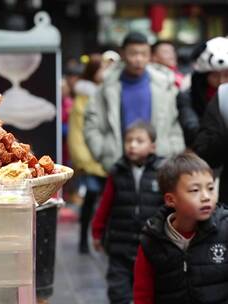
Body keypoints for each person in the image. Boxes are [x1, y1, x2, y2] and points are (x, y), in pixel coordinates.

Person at [134, 152, 228, 304]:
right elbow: (143, 293)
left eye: (210, 188)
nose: (206, 196)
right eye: (195, 190)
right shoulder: (152, 239)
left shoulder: (225, 228)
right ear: (171, 200)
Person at [84, 32, 184, 173]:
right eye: (133, 54)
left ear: (150, 55)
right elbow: (91, 122)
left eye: (144, 54)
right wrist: (102, 152)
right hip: (118, 162)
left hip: (159, 163)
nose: (139, 59)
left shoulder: (165, 85)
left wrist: (173, 151)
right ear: (123, 54)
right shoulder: (107, 86)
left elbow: (175, 122)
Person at [91, 122, 164, 304]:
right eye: (129, 140)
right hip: (119, 245)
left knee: (149, 289)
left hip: (150, 245)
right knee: (118, 290)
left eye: (139, 141)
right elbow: (105, 205)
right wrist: (97, 232)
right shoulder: (117, 171)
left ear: (152, 146)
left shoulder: (162, 172)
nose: (132, 145)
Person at [68, 53, 109, 254]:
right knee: (92, 196)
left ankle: (100, 237)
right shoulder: (84, 98)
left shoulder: (110, 93)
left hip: (110, 157)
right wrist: (84, 159)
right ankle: (84, 238)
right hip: (92, 159)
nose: (107, 72)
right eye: (103, 68)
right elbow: (77, 132)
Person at [177, 36, 228, 146]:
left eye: (226, 75)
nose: (221, 80)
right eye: (215, 75)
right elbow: (191, 126)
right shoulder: (188, 97)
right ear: (204, 76)